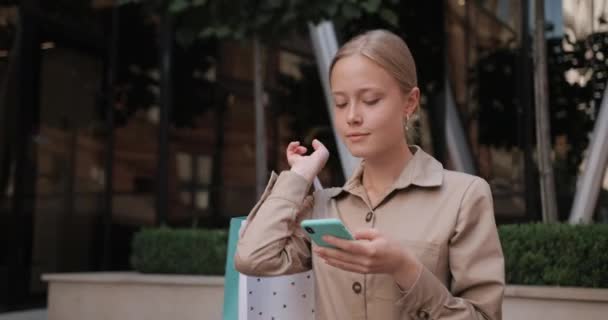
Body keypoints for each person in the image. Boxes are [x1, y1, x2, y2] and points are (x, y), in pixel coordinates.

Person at [235, 29, 504, 320]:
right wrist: (297, 178)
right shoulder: (325, 206)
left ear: (410, 102)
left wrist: (404, 268)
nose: (352, 116)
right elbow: (253, 258)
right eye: (340, 103)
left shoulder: (463, 196)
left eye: (371, 100)